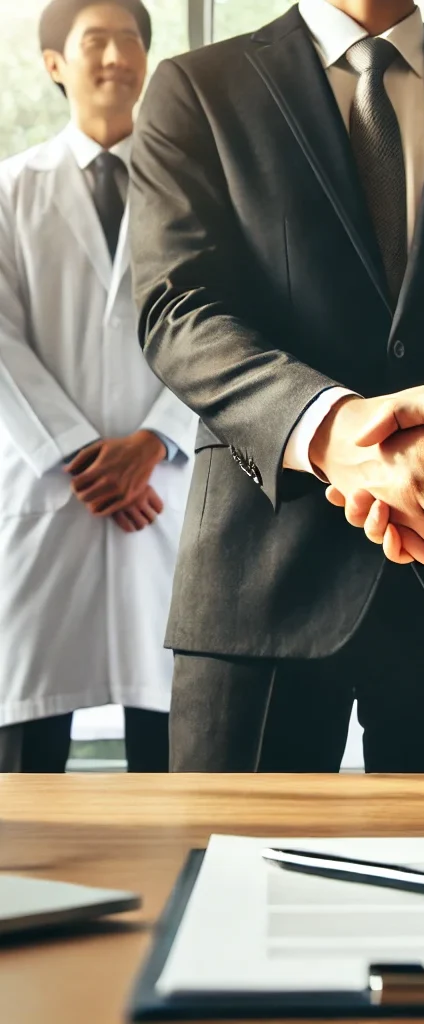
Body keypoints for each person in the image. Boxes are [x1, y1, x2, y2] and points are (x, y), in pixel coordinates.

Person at [128, 0, 424, 773]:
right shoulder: (198, 89)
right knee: (232, 881)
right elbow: (177, 311)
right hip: (261, 572)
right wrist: (334, 429)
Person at [0, 0, 197, 772]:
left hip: (167, 491)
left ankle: (183, 893)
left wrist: (156, 440)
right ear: (54, 64)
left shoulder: (196, 188)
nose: (116, 56)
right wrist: (85, 455)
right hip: (54, 494)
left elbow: (227, 320)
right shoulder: (11, 190)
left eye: (130, 41)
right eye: (95, 41)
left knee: (177, 734)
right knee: (26, 743)